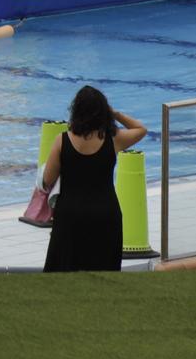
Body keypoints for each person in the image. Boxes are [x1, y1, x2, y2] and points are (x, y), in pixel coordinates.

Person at [43, 86, 146, 273]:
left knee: (63, 273)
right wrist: (115, 114)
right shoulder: (113, 139)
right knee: (104, 272)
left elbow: (47, 179)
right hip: (105, 216)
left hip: (70, 216)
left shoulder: (62, 141)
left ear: (76, 111)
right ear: (103, 111)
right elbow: (140, 129)